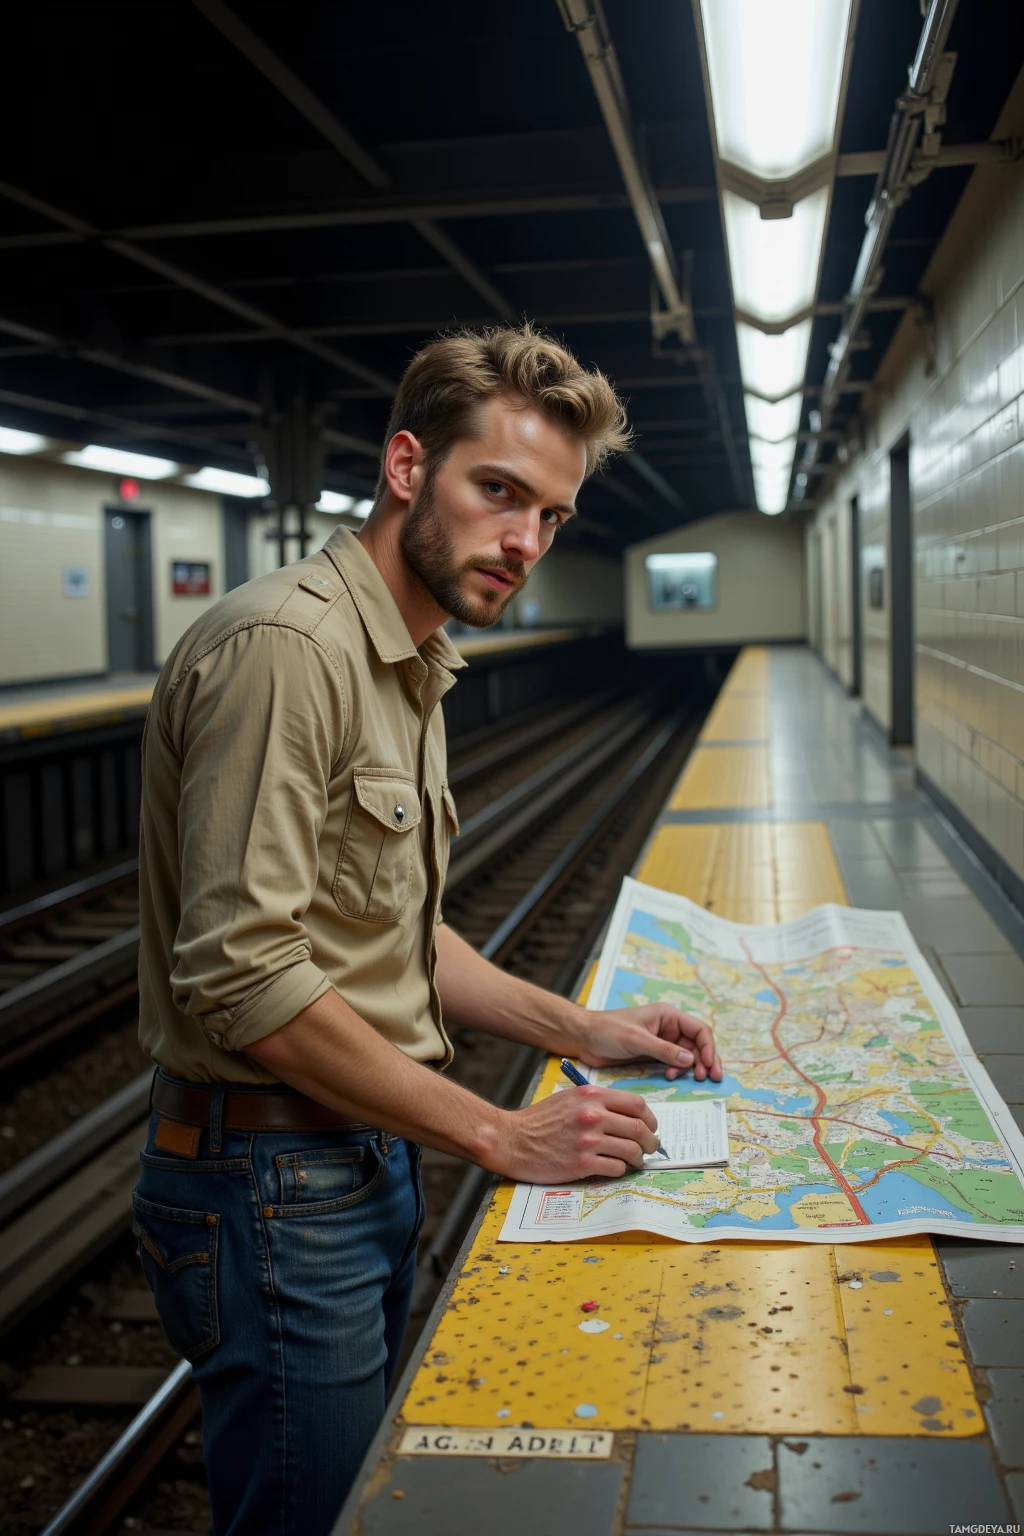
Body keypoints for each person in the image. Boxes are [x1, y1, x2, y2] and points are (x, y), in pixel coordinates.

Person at [133, 323, 722, 1535]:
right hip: (271, 1180)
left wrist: (584, 1027)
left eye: (550, 515)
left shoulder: (407, 657)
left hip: (348, 1158)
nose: (524, 541)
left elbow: (397, 935)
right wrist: (500, 1132)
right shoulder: (291, 650)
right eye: (497, 491)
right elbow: (242, 977)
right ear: (406, 467)